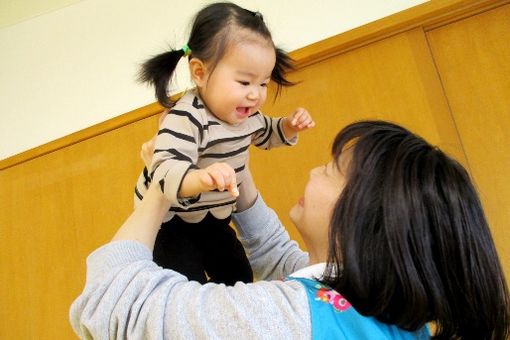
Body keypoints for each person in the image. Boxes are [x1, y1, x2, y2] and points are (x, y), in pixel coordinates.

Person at [70, 120, 509, 339]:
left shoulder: (290, 318)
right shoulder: (377, 313)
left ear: (367, 218)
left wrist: (159, 183)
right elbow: (286, 261)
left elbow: (115, 304)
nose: (316, 170)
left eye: (333, 170)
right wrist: (237, 174)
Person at [133, 2, 314, 285]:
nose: (255, 95)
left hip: (214, 214)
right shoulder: (186, 117)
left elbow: (267, 133)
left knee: (237, 274)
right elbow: (164, 171)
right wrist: (200, 178)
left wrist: (289, 126)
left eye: (264, 84)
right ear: (200, 73)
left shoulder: (248, 116)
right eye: (244, 82)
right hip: (172, 222)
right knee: (185, 281)